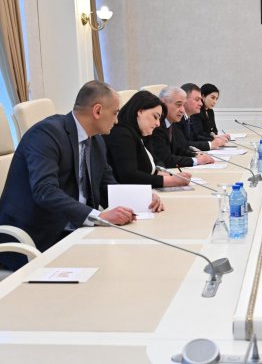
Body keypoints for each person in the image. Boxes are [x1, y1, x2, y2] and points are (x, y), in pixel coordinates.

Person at [0, 81, 163, 271]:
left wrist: (142, 199)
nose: (117, 121)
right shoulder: (45, 134)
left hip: (75, 231)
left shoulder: (96, 141)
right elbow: (45, 191)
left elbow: (107, 185)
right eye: (115, 113)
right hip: (35, 239)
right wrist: (99, 216)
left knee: (132, 260)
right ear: (97, 111)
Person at [104, 91, 192, 188]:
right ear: (140, 111)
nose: (158, 124)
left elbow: (154, 161)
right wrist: (170, 181)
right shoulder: (121, 134)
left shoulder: (141, 134)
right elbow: (129, 176)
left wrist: (161, 173)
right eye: (155, 117)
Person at [149, 86, 215, 168]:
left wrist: (195, 155)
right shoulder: (156, 126)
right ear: (163, 103)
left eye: (183, 105)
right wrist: (196, 161)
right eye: (178, 105)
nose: (182, 110)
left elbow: (178, 149)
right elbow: (165, 159)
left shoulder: (172, 122)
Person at [178, 83, 227, 151]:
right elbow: (182, 144)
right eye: (197, 99)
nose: (201, 103)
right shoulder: (178, 119)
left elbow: (194, 138)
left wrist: (214, 139)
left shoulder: (187, 117)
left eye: (216, 99)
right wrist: (211, 143)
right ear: (184, 100)